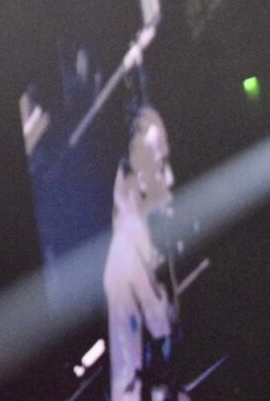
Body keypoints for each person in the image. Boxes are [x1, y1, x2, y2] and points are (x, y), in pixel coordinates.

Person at [103, 106, 186, 401]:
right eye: (161, 167)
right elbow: (127, 392)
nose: (171, 178)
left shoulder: (156, 246)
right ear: (139, 180)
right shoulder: (124, 266)